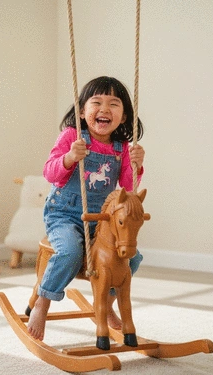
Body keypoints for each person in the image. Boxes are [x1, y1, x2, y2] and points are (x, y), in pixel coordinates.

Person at [28, 76, 145, 341]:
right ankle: (42, 303)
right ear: (83, 111)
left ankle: (105, 306)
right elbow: (50, 173)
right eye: (97, 102)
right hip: (65, 214)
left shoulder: (123, 148)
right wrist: (69, 157)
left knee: (132, 259)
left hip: (100, 219)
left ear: (124, 116)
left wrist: (137, 164)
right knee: (70, 251)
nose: (105, 109)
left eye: (114, 104)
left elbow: (128, 188)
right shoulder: (72, 136)